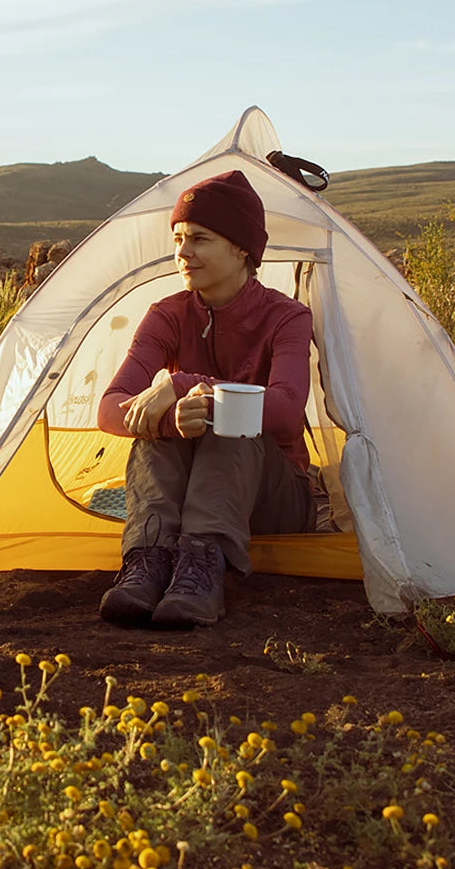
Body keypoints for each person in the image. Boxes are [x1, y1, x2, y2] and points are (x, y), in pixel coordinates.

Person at [97, 170, 317, 629]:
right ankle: (149, 560)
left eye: (199, 238)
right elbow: (109, 407)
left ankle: (202, 568)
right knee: (161, 425)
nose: (182, 252)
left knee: (231, 423)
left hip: (276, 498)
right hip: (188, 489)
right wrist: (170, 413)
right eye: (178, 238)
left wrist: (184, 386)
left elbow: (285, 409)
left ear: (242, 248)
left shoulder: (287, 317)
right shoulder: (167, 315)